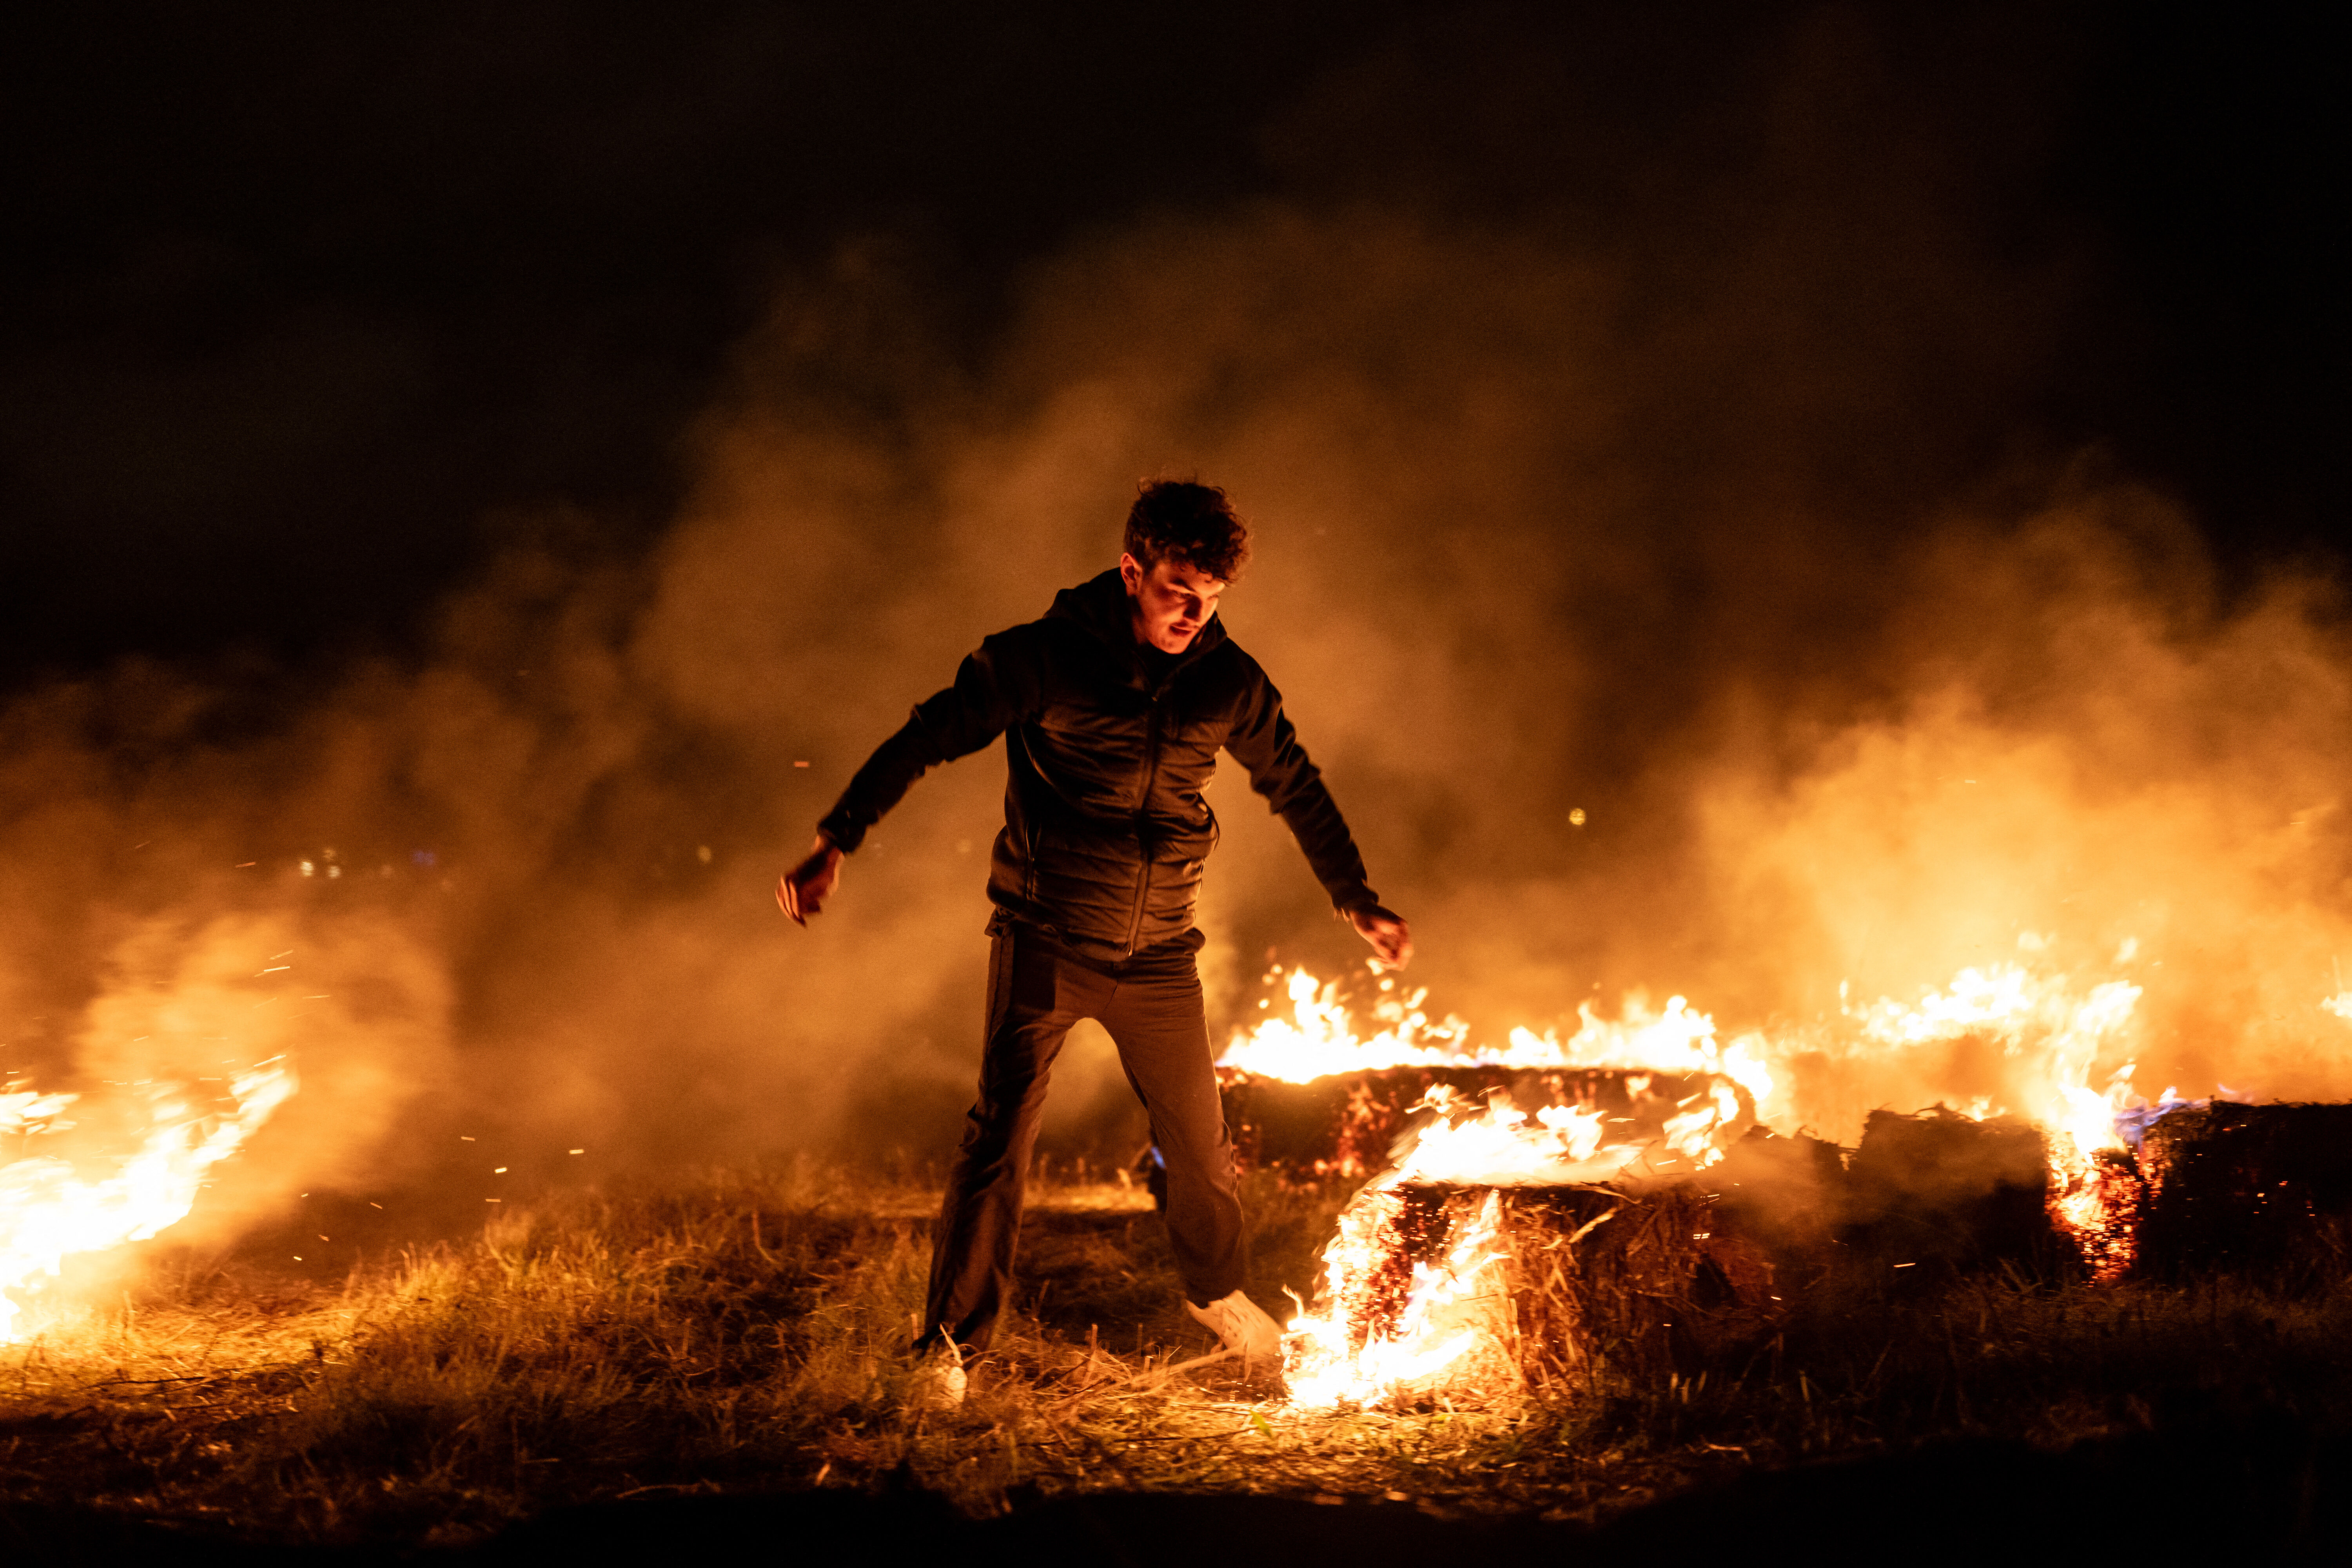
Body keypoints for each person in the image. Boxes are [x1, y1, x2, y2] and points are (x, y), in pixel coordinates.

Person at [777, 480, 1410, 1407]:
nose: (1193, 615)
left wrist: (1353, 895)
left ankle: (1217, 1292)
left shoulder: (1228, 679)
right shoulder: (1044, 658)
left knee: (1201, 1148)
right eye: (1177, 591)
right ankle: (948, 1349)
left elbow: (1296, 782)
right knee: (998, 1141)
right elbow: (926, 735)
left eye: (1212, 599)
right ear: (1131, 572)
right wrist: (838, 838)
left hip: (1159, 957)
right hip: (1047, 936)